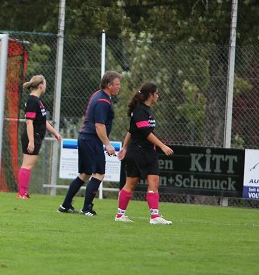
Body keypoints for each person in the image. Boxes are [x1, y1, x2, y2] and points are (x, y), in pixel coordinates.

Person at [58, 71, 122, 215]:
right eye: (117, 84)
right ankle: (87, 209)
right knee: (99, 173)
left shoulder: (98, 95)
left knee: (85, 173)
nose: (119, 87)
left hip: (85, 138)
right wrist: (108, 144)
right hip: (92, 139)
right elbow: (99, 125)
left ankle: (65, 205)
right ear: (109, 85)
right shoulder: (103, 101)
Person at [114, 82, 174, 224]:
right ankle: (120, 215)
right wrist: (162, 146)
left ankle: (155, 216)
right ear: (150, 95)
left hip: (149, 153)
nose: (158, 96)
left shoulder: (147, 110)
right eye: (156, 93)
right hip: (137, 152)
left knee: (154, 181)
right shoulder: (140, 110)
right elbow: (145, 132)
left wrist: (124, 147)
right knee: (131, 184)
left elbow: (131, 130)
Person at [16, 74, 63, 199]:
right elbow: (29, 122)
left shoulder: (37, 101)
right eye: (45, 84)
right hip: (32, 136)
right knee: (27, 165)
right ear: (41, 85)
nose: (45, 86)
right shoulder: (32, 100)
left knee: (26, 164)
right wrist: (31, 141)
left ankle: (22, 193)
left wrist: (55, 133)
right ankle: (22, 193)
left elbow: (43, 121)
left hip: (35, 135)